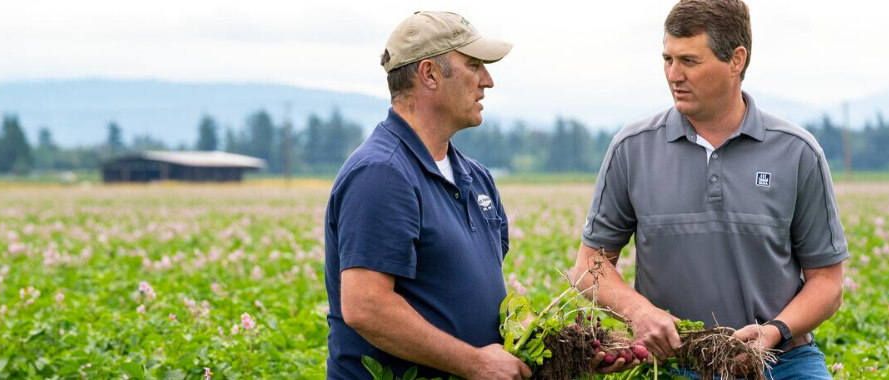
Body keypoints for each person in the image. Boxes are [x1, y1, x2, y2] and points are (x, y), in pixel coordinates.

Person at [567, 1, 847, 378]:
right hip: (675, 363)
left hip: (781, 359)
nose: (673, 75)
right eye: (667, 59)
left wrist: (774, 331)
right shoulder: (632, 148)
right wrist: (640, 313)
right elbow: (590, 264)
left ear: (736, 60)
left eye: (689, 61)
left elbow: (827, 282)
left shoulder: (797, 152)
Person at [324, 11, 550, 380]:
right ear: (429, 74)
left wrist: (557, 349)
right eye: (474, 65)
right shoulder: (382, 173)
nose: (487, 81)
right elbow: (366, 307)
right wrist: (474, 363)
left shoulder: (476, 177)